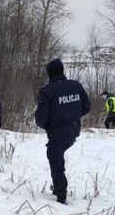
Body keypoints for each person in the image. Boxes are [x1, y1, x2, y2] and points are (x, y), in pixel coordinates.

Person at [35, 58, 91, 204]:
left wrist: (49, 124)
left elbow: (41, 119)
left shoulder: (47, 91)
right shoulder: (76, 86)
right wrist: (72, 117)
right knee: (57, 156)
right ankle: (58, 183)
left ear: (49, 74)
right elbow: (87, 107)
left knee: (54, 157)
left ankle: (61, 194)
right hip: (73, 131)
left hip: (57, 133)